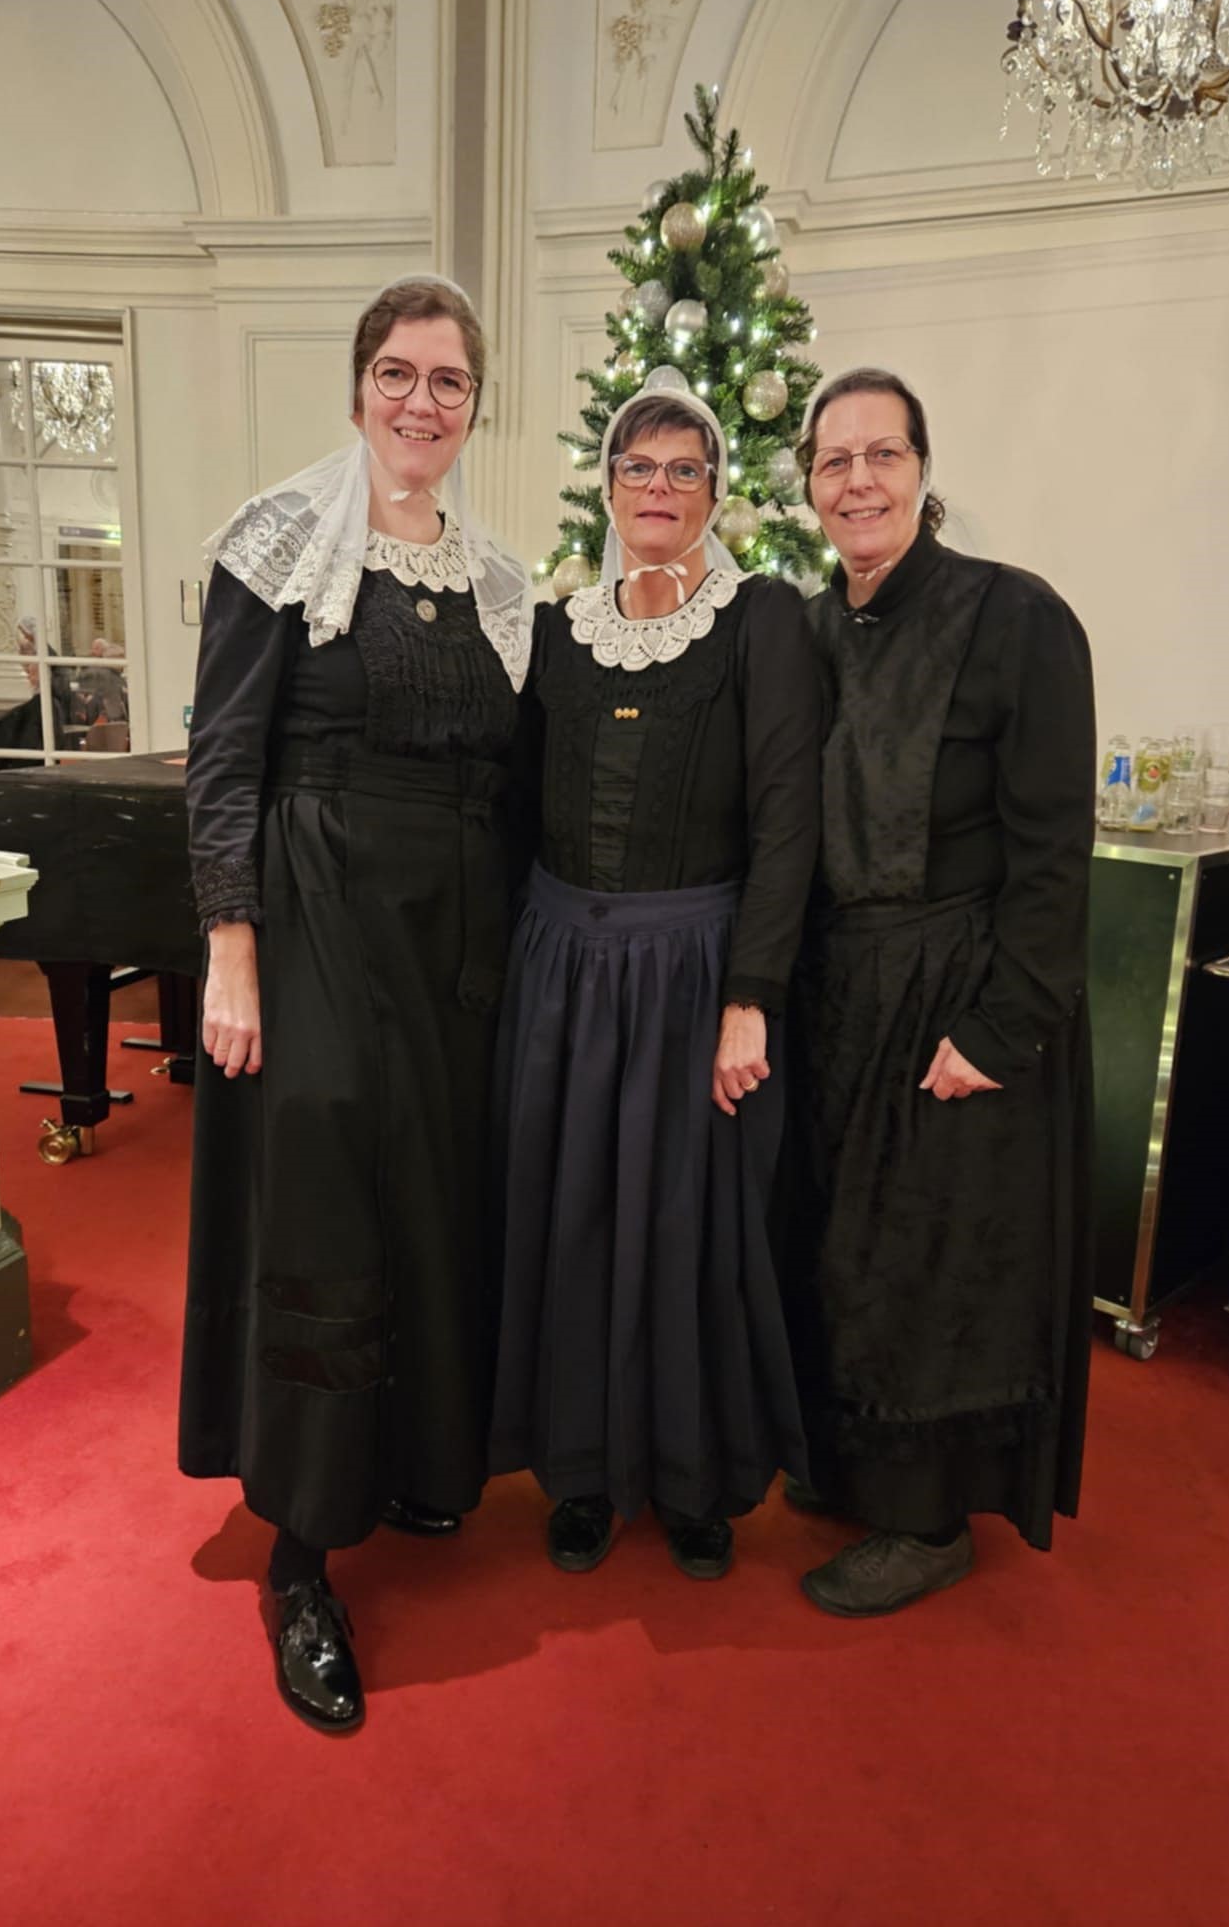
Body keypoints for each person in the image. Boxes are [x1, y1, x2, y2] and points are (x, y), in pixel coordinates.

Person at [179, 275, 532, 1731]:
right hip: (316, 910)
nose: (421, 401)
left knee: (434, 1204)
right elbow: (223, 763)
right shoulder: (276, 548)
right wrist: (231, 949)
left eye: (449, 380)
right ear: (356, 387)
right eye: (399, 373)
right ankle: (303, 1555)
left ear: (474, 407)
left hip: (459, 938)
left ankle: (411, 1462)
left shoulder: (500, 581)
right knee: (325, 1206)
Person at [489, 373, 822, 1581]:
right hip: (564, 970)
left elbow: (791, 821)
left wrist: (752, 994)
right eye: (640, 468)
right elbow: (515, 809)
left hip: (695, 976)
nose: (660, 489)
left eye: (686, 470)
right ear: (607, 483)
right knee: (569, 1218)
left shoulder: (763, 618)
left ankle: (691, 1478)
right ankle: (580, 1474)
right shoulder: (555, 629)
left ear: (718, 489)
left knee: (692, 1228)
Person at [786, 366, 1095, 1617]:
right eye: (834, 459)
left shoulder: (1014, 618)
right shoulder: (807, 629)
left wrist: (1002, 1022)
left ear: (923, 470)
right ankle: (862, 1464)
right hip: (843, 988)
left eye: (883, 454)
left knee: (937, 1256)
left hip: (962, 987)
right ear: (807, 486)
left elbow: (1054, 847)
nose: (859, 478)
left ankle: (928, 1519)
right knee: (848, 1245)